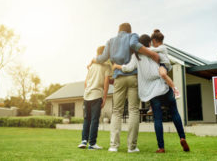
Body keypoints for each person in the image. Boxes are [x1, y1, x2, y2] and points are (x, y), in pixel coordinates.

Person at [89, 23, 160, 153]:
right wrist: (151, 54)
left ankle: (113, 146)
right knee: (133, 110)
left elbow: (103, 58)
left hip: (118, 79)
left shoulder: (111, 41)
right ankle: (131, 147)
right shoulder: (133, 36)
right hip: (133, 78)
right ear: (129, 30)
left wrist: (94, 59)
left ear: (119, 30)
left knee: (117, 111)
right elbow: (134, 45)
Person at [113, 34, 190, 153]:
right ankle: (182, 137)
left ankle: (161, 147)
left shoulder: (136, 55)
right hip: (162, 86)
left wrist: (117, 66)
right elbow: (165, 61)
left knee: (158, 118)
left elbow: (128, 68)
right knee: (174, 112)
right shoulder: (155, 50)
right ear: (149, 43)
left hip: (151, 92)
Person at [78, 46, 112, 150]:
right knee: (94, 120)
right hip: (97, 95)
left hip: (87, 95)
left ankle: (84, 141)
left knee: (86, 119)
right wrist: (105, 98)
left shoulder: (91, 65)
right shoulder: (107, 66)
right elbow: (106, 83)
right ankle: (92, 144)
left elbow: (85, 82)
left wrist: (87, 91)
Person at [150, 29, 180, 99]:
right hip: (159, 65)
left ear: (154, 41)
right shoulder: (156, 46)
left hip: (164, 64)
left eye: (152, 42)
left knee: (163, 74)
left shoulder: (162, 47)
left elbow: (151, 50)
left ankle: (175, 90)